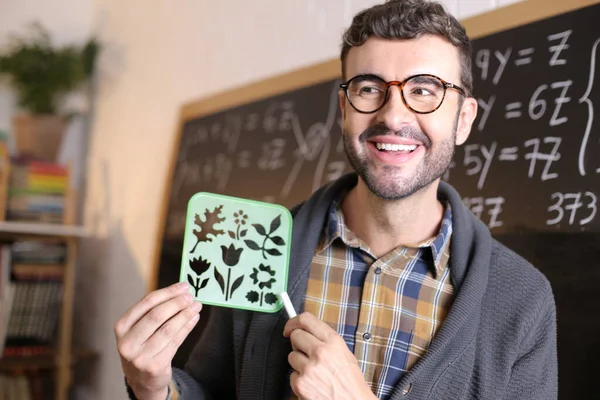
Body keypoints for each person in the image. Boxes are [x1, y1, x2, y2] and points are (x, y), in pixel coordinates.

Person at [114, 0, 558, 399]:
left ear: (463, 119)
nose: (393, 114)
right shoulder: (256, 249)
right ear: (344, 111)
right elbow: (208, 391)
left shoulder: (522, 300)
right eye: (369, 88)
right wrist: (154, 387)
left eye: (425, 90)